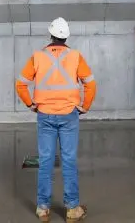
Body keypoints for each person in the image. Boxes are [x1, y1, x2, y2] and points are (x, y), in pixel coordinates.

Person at [15, 17, 97, 222]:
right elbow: (91, 85)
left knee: (46, 161)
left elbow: (20, 84)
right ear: (66, 36)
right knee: (69, 161)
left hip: (45, 115)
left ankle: (43, 209)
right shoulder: (76, 56)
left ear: (50, 35)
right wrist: (84, 107)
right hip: (69, 115)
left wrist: (30, 104)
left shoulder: (38, 56)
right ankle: (72, 209)